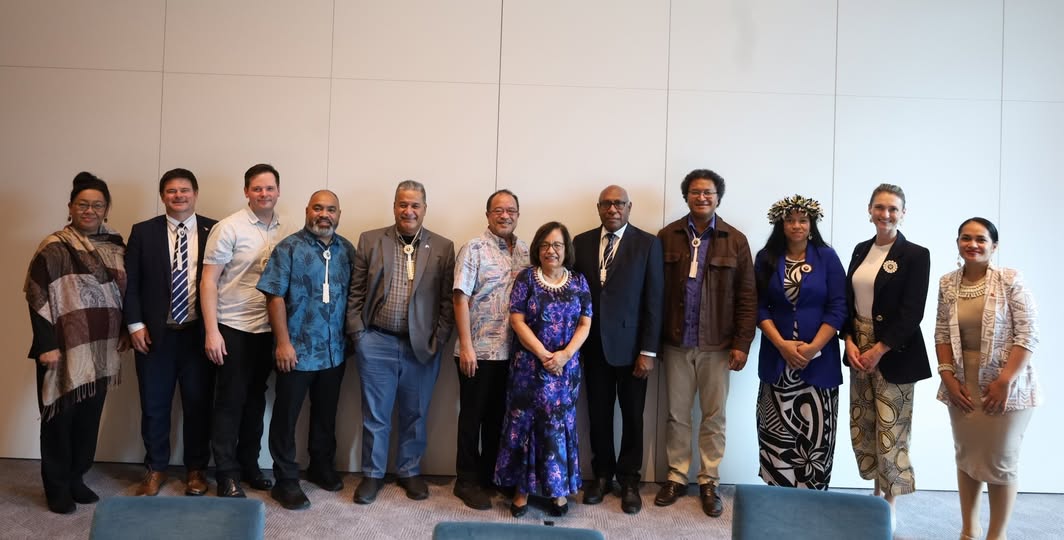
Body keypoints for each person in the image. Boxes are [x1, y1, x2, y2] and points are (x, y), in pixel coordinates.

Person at [24, 172, 128, 514]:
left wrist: (127, 330)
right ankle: (56, 487)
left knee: (88, 420)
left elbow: (124, 293)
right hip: (62, 348)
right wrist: (45, 345)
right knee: (59, 421)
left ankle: (76, 478)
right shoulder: (53, 246)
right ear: (70, 207)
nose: (89, 210)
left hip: (101, 349)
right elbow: (37, 296)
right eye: (82, 204)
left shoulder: (115, 244)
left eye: (97, 204)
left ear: (106, 209)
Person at [655, 168, 756, 518]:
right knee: (676, 415)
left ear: (718, 197)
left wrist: (742, 343)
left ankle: (709, 479)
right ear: (686, 196)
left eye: (709, 193)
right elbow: (656, 294)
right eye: (696, 192)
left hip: (718, 345)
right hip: (676, 342)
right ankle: (676, 476)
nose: (702, 198)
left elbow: (747, 296)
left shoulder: (735, 240)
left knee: (714, 417)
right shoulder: (667, 236)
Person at [346, 180, 455, 505]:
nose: (408, 211)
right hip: (376, 341)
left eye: (415, 205)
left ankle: (409, 471)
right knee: (375, 415)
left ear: (424, 208)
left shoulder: (442, 246)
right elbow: (356, 291)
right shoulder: (370, 239)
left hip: (422, 347)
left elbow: (448, 301)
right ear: (394, 206)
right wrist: (359, 335)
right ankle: (373, 474)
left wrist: (439, 339)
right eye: (402, 204)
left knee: (415, 413)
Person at [935, 217, 1039, 540]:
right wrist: (948, 377)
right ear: (957, 243)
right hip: (962, 387)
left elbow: (1029, 334)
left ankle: (996, 535)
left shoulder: (1010, 280)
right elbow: (940, 332)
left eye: (981, 239)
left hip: (1006, 388)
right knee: (967, 457)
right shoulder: (947, 283)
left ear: (994, 246)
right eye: (966, 238)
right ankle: (969, 530)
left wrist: (1005, 381)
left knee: (1001, 462)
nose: (973, 244)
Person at [257, 190, 354, 510]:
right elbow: (274, 298)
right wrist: (283, 343)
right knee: (286, 417)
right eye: (317, 208)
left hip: (333, 353)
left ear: (339, 214)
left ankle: (320, 466)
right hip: (296, 351)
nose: (324, 214)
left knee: (326, 415)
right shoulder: (289, 248)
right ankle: (285, 480)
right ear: (307, 210)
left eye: (330, 209)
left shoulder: (346, 250)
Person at [841, 183, 931, 523]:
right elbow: (848, 303)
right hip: (858, 348)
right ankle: (875, 494)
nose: (886, 214)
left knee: (891, 428)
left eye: (893, 208)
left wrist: (879, 349)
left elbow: (912, 313)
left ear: (903, 213)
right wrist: (848, 340)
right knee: (864, 423)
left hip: (893, 350)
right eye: (880, 207)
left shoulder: (915, 255)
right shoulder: (861, 249)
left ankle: (889, 504)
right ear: (869, 210)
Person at [124, 168, 217, 497]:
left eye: (185, 190)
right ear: (162, 196)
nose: (178, 196)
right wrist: (134, 325)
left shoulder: (214, 230)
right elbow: (130, 282)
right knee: (154, 405)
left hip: (198, 334)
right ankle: (156, 467)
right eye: (171, 191)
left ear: (195, 193)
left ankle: (196, 469)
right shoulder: (143, 232)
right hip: (154, 336)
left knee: (198, 404)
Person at [572, 185, 663, 514]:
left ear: (629, 207)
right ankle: (601, 475)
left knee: (633, 418)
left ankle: (629, 481)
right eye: (607, 204)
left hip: (633, 351)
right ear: (598, 208)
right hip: (592, 347)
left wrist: (648, 352)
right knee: (598, 416)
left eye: (619, 204)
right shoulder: (580, 243)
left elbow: (654, 301)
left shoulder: (647, 243)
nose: (613, 209)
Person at [201, 163, 290, 497]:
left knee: (255, 402)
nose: (264, 194)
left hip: (268, 328)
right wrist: (212, 331)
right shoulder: (229, 228)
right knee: (229, 402)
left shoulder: (287, 229)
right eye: (257, 188)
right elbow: (209, 281)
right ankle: (226, 473)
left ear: (278, 191)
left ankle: (249, 465)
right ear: (246, 192)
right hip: (232, 326)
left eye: (269, 188)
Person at [495, 221, 592, 518]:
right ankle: (521, 491)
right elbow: (517, 320)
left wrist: (564, 355)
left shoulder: (578, 281)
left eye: (558, 245)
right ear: (538, 248)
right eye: (546, 245)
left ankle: (558, 490)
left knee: (557, 428)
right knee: (525, 426)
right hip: (528, 368)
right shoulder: (526, 279)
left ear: (566, 250)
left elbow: (585, 323)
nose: (551, 250)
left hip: (565, 371)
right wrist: (543, 354)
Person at [753, 195, 846, 489]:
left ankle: (813, 500)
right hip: (778, 361)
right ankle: (777, 497)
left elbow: (839, 306)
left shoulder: (827, 257)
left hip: (819, 365)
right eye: (790, 220)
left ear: (811, 224)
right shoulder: (765, 258)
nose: (796, 225)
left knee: (815, 437)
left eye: (803, 220)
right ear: (780, 224)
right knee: (775, 435)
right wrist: (782, 344)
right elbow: (758, 306)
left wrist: (813, 348)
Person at [451, 189, 530, 510]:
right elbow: (460, 298)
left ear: (518, 214)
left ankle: (490, 476)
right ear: (488, 214)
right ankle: (466, 481)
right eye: (498, 210)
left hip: (513, 354)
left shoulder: (525, 250)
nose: (505, 215)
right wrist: (466, 347)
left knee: (499, 419)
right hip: (478, 351)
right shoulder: (473, 248)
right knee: (472, 418)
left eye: (511, 210)